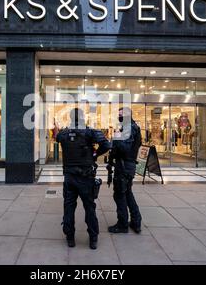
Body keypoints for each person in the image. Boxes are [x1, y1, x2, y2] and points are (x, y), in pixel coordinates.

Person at [56, 108, 110, 250]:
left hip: (69, 177)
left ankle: (70, 238)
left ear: (70, 118)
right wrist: (95, 155)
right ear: (82, 118)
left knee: (68, 208)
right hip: (85, 178)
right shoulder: (90, 132)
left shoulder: (63, 133)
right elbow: (106, 144)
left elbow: (57, 138)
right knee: (89, 208)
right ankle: (93, 238)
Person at [107, 107, 143, 234]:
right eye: (119, 115)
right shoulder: (133, 128)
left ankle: (122, 224)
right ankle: (136, 222)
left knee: (119, 195)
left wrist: (116, 137)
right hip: (127, 165)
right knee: (127, 193)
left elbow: (125, 148)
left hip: (124, 166)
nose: (119, 117)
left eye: (121, 115)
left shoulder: (129, 128)